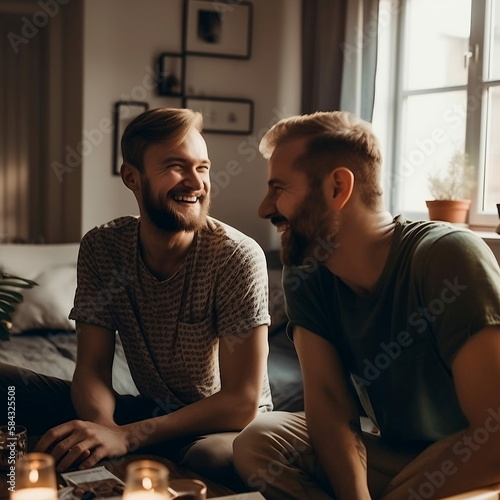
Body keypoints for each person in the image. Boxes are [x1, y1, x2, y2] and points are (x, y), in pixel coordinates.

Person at [232, 111, 500, 500]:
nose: (264, 207)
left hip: (482, 461)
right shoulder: (307, 271)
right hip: (399, 453)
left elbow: (494, 431)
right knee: (259, 442)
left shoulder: (447, 256)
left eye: (279, 188)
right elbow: (329, 405)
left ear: (338, 187)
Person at [0, 108, 272, 488]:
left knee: (214, 459)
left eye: (203, 167)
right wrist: (106, 429)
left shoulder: (236, 256)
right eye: (176, 167)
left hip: (220, 425)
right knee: (7, 384)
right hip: (148, 411)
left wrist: (127, 438)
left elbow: (241, 401)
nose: (196, 182)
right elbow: (92, 369)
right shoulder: (103, 247)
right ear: (132, 177)